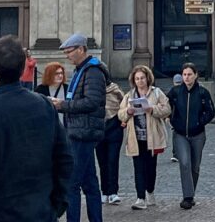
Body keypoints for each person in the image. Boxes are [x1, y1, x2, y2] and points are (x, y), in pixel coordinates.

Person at [0, 35, 73, 222]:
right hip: (40, 213)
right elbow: (64, 158)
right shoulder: (44, 105)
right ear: (24, 68)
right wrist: (56, 205)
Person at [51, 32, 110, 222]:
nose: (67, 56)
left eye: (70, 51)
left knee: (71, 184)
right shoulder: (81, 70)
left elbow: (92, 102)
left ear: (81, 49)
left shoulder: (92, 71)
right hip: (79, 130)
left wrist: (62, 105)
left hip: (84, 132)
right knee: (90, 183)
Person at [117, 65, 171, 210]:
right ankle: (140, 198)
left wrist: (152, 109)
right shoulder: (129, 96)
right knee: (138, 168)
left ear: (147, 78)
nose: (140, 81)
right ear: (133, 81)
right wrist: (128, 111)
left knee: (151, 167)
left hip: (152, 136)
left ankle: (150, 191)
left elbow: (167, 109)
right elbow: (120, 114)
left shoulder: (156, 93)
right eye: (137, 79)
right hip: (135, 137)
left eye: (142, 78)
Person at [167, 62, 215, 210]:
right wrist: (171, 119)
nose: (187, 77)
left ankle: (191, 194)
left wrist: (200, 122)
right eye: (184, 74)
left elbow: (210, 111)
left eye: (189, 74)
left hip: (198, 134)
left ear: (195, 75)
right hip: (180, 133)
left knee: (195, 167)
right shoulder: (175, 92)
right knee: (185, 163)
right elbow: (165, 106)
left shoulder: (202, 92)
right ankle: (187, 197)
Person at [96, 78, 124, 205]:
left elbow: (123, 104)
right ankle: (105, 191)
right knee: (102, 162)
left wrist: (123, 119)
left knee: (113, 160)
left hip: (114, 126)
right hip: (99, 128)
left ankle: (113, 192)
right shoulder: (94, 91)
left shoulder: (115, 90)